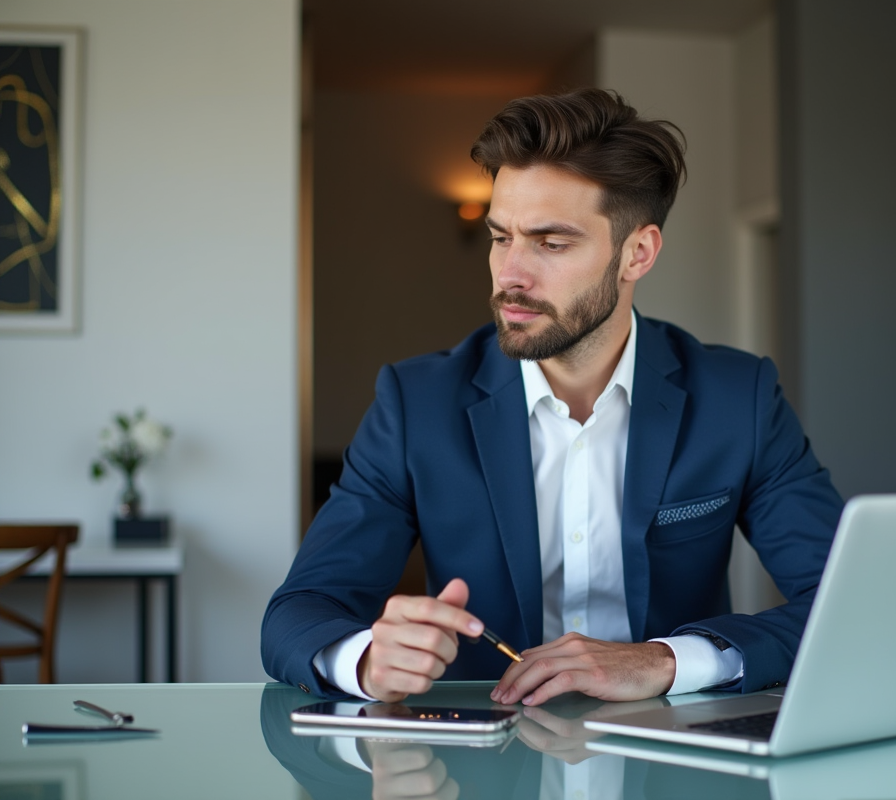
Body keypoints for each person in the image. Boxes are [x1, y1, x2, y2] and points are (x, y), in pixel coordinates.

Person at [261, 88, 843, 708]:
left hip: (674, 758)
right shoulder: (415, 404)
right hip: (481, 762)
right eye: (500, 237)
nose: (510, 273)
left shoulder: (738, 398)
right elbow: (297, 614)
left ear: (636, 254)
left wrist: (670, 660)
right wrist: (368, 658)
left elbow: (848, 604)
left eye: (551, 243)